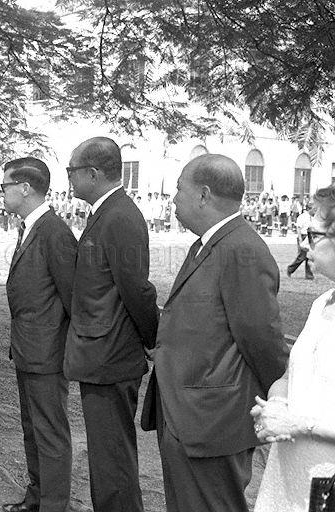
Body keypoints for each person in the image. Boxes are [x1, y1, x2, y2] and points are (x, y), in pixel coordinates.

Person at [141, 153, 289, 512]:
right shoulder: (207, 244)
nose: (173, 199)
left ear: (204, 195)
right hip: (184, 414)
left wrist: (275, 399)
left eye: (179, 189)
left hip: (211, 422)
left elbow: (262, 342)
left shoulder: (242, 250)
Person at [64, 137, 159, 512]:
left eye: (72, 170)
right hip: (100, 351)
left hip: (111, 354)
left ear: (94, 173)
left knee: (112, 456)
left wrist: (152, 340)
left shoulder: (119, 215)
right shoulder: (106, 212)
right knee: (106, 455)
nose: (68, 177)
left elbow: (136, 289)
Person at [252, 185, 335, 512]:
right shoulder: (321, 305)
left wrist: (300, 423)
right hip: (289, 482)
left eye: (314, 235)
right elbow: (291, 376)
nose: (305, 244)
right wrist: (275, 404)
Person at [1, 157, 77, 512]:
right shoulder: (31, 227)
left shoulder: (53, 231)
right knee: (33, 429)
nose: (1, 192)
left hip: (47, 352)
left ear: (25, 188)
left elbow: (72, 296)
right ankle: (38, 497)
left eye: (5, 186)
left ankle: (53, 504)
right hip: (29, 348)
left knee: (50, 433)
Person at [287, 202, 320, 280]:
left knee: (310, 256)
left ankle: (309, 275)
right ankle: (290, 269)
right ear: (309, 209)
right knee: (301, 257)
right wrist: (300, 239)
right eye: (314, 209)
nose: (315, 211)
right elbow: (298, 228)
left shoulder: (314, 217)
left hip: (310, 237)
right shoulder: (302, 217)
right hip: (303, 236)